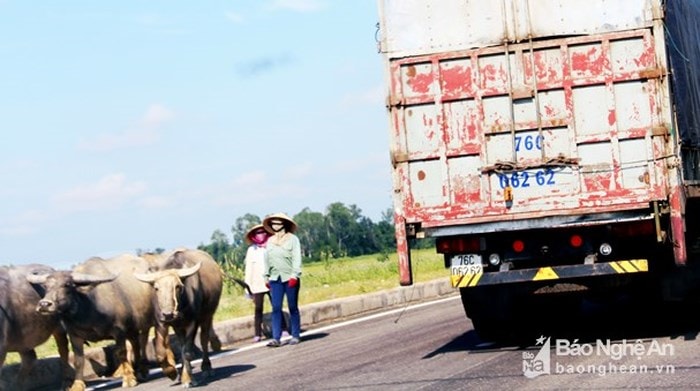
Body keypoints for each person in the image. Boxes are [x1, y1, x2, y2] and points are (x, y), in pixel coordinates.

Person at [263, 212, 302, 347]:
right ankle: (276, 338)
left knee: (292, 307)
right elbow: (267, 260)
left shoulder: (293, 239)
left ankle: (295, 335)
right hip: (275, 278)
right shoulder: (270, 241)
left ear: (284, 224)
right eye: (273, 223)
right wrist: (266, 276)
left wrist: (295, 275)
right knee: (276, 308)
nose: (275, 225)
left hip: (290, 277)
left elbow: (297, 258)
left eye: (278, 222)